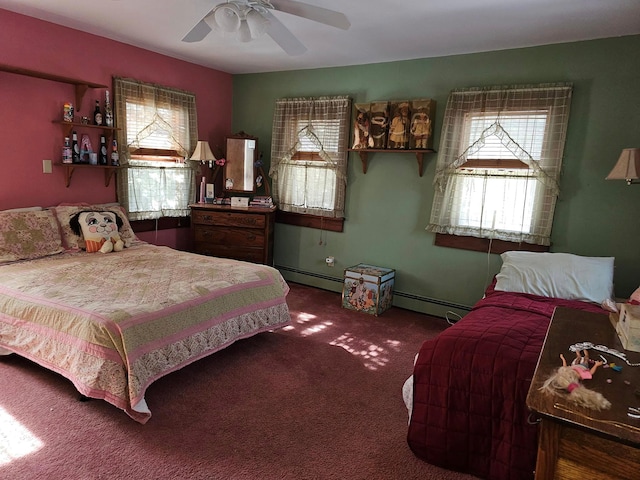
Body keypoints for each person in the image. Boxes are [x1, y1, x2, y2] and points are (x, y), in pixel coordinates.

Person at [539, 352, 611, 410]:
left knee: (579, 358)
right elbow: (591, 373)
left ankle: (580, 353)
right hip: (583, 366)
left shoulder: (569, 371)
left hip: (577, 366)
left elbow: (565, 366)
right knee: (584, 358)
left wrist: (563, 359)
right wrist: (596, 365)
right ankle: (581, 353)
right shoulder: (581, 374)